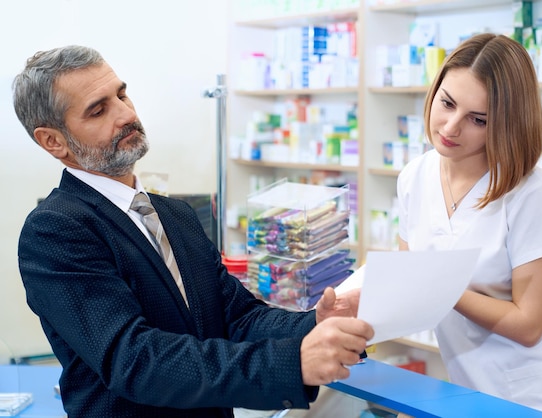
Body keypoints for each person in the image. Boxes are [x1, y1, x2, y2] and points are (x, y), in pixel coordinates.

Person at [12, 45, 374, 418]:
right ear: (53, 141)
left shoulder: (176, 215)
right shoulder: (55, 231)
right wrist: (291, 364)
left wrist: (315, 322)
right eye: (98, 110)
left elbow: (238, 318)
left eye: (121, 94)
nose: (126, 114)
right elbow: (136, 360)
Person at [396, 33, 542, 417]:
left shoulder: (532, 193)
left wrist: (440, 288)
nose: (451, 126)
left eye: (477, 119)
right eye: (447, 103)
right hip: (472, 388)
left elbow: (529, 324)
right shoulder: (415, 175)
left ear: (506, 125)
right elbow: (409, 279)